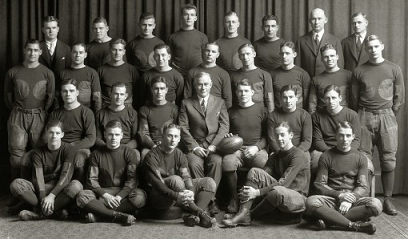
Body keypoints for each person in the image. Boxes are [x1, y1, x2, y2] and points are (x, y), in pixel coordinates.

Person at [349, 35, 405, 216]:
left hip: (387, 116)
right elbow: (354, 98)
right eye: (369, 47)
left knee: (388, 158)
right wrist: (363, 115)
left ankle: (388, 199)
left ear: (382, 45)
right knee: (363, 158)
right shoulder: (359, 71)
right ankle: (365, 198)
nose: (373, 50)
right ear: (365, 49)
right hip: (364, 116)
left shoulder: (393, 69)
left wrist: (387, 114)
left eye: (375, 46)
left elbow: (399, 98)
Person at [222, 122, 310, 227]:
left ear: (291, 135)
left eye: (283, 135)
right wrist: (248, 189)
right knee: (255, 172)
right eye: (277, 135)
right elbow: (261, 175)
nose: (279, 138)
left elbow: (283, 184)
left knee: (277, 191)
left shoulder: (298, 155)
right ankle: (242, 213)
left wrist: (256, 192)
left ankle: (249, 215)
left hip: (296, 198)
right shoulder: (275, 155)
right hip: (280, 193)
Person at [306, 122, 382, 235]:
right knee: (311, 202)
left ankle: (329, 220)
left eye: (348, 136)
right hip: (332, 199)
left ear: (352, 136)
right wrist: (340, 195)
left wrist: (348, 200)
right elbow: (319, 184)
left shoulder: (360, 157)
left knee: (376, 204)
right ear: (336, 136)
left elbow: (363, 186)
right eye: (341, 135)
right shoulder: (326, 156)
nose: (344, 139)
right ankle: (354, 225)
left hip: (353, 201)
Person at [144, 124, 217, 228]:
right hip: (159, 196)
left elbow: (186, 176)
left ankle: (193, 216)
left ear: (179, 139)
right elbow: (158, 184)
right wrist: (177, 196)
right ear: (163, 136)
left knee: (209, 182)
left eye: (176, 136)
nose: (173, 140)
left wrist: (191, 190)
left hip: (178, 192)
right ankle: (200, 212)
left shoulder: (179, 153)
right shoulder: (152, 156)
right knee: (176, 180)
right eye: (169, 136)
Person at [76, 120, 146, 226]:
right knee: (82, 196)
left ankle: (100, 215)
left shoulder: (130, 153)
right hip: (103, 193)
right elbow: (92, 181)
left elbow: (132, 180)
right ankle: (117, 216)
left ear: (121, 135)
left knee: (140, 197)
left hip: (122, 194)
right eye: (110, 134)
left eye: (117, 134)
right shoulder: (96, 154)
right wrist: (105, 196)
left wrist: (119, 197)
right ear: (105, 135)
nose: (113, 138)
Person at [9, 120, 82, 221]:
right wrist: (43, 197)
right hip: (41, 187)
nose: (54, 136)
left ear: (62, 135)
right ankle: (54, 212)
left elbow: (66, 176)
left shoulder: (69, 149)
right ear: (46, 134)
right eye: (51, 132)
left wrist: (52, 196)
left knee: (77, 185)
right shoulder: (38, 153)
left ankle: (39, 214)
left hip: (60, 188)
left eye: (57, 133)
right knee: (16, 184)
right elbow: (38, 178)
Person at [179, 72, 229, 214]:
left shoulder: (220, 102)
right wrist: (194, 147)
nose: (203, 87)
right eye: (199, 84)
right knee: (193, 163)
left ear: (211, 85)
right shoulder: (186, 103)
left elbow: (224, 126)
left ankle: (210, 200)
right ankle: (204, 200)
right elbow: (183, 127)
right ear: (195, 85)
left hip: (214, 146)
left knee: (216, 162)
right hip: (195, 145)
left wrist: (213, 145)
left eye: (206, 84)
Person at [4, 39, 55, 180]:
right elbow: (8, 97)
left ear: (40, 52)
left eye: (35, 50)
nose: (32, 53)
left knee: (40, 154)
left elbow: (50, 98)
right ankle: (18, 191)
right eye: (29, 50)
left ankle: (38, 190)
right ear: (25, 51)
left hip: (39, 115)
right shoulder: (12, 72)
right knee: (16, 156)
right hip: (18, 115)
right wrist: (19, 110)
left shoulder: (47, 73)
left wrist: (40, 111)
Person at [222, 79, 268, 213]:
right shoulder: (231, 111)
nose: (243, 94)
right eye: (240, 91)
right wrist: (228, 138)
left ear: (252, 92)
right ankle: (234, 198)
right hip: (237, 149)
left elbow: (267, 136)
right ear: (236, 93)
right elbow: (226, 131)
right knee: (227, 162)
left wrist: (256, 148)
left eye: (246, 91)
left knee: (261, 161)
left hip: (256, 148)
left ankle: (249, 200)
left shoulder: (262, 110)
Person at [48, 79, 96, 183]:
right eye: (65, 91)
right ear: (61, 93)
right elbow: (48, 134)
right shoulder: (55, 113)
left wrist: (71, 148)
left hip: (79, 148)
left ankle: (78, 188)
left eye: (71, 91)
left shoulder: (87, 112)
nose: (68, 94)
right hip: (59, 146)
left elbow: (91, 139)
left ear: (77, 92)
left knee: (78, 160)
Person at [311, 85, 361, 175]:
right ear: (323, 99)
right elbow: (317, 140)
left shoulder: (352, 115)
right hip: (325, 150)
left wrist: (344, 153)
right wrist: (331, 153)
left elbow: (356, 140)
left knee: (367, 166)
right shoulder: (316, 116)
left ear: (340, 98)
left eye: (334, 98)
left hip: (347, 150)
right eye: (327, 98)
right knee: (314, 163)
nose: (331, 101)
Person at [295, 8, 344, 78]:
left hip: (329, 83)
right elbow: (297, 67)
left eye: (319, 18)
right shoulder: (300, 41)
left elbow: (340, 65)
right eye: (313, 19)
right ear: (309, 21)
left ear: (325, 20)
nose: (316, 22)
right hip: (308, 83)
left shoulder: (335, 41)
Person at [138, 76, 178, 160]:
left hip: (171, 145)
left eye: (162, 88)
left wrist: (168, 146)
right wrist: (154, 146)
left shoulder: (174, 109)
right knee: (145, 154)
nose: (159, 92)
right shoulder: (144, 110)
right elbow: (143, 134)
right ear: (151, 90)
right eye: (156, 88)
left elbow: (178, 132)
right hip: (151, 146)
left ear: (166, 90)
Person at [95, 82, 139, 157]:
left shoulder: (132, 113)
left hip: (126, 148)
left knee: (136, 155)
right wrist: (108, 147)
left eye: (121, 94)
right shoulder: (100, 113)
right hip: (106, 148)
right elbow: (97, 138)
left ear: (126, 96)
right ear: (110, 94)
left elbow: (135, 139)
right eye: (116, 94)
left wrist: (122, 149)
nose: (118, 97)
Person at [184, 42, 232, 108]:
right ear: (202, 52)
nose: (210, 54)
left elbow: (227, 100)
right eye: (207, 51)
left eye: (213, 52)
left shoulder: (224, 74)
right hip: (196, 111)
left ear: (218, 54)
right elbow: (187, 97)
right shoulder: (192, 72)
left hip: (216, 112)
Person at [268, 85, 312, 156]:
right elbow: (272, 140)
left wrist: (294, 153)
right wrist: (282, 152)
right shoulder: (272, 116)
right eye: (285, 97)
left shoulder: (305, 115)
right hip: (279, 151)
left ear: (296, 98)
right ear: (281, 99)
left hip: (300, 151)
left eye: (291, 97)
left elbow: (307, 140)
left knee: (305, 158)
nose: (288, 101)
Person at [230, 43, 274, 113]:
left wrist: (270, 118)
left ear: (254, 54)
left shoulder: (265, 75)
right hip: (239, 114)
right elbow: (231, 99)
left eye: (248, 54)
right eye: (242, 55)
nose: (245, 57)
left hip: (259, 114)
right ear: (239, 57)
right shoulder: (233, 76)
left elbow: (269, 100)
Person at [59, 42, 102, 113]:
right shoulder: (63, 73)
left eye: (81, 52)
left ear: (85, 55)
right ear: (71, 54)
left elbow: (97, 98)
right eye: (75, 52)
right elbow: (57, 98)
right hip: (65, 112)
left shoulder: (92, 73)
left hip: (86, 114)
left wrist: (96, 116)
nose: (77, 55)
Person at [308, 44, 351, 114]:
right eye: (326, 57)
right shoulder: (316, 80)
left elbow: (354, 100)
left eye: (332, 56)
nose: (330, 59)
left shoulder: (348, 76)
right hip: (323, 118)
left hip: (344, 118)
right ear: (322, 59)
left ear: (337, 57)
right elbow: (312, 105)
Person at [98, 38, 139, 109]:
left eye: (120, 50)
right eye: (114, 50)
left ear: (124, 52)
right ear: (110, 50)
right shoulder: (101, 70)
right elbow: (97, 93)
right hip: (106, 108)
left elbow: (138, 93)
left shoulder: (132, 70)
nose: (117, 53)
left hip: (127, 108)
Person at [168, 4, 208, 75]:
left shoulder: (202, 37)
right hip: (178, 73)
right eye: (186, 14)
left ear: (195, 18)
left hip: (197, 74)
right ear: (181, 17)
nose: (189, 17)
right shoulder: (173, 37)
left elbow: (205, 58)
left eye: (192, 15)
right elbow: (169, 59)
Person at [270, 41, 310, 110]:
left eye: (287, 53)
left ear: (294, 54)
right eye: (282, 53)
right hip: (278, 115)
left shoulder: (303, 74)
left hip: (297, 115)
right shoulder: (272, 74)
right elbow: (270, 99)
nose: (284, 56)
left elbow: (307, 99)